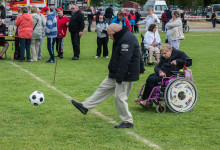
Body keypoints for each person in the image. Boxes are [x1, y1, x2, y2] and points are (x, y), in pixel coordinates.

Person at [71, 23, 145, 128]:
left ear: (116, 31)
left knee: (119, 97)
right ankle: (85, 106)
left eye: (110, 35)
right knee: (102, 89)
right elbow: (138, 52)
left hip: (125, 74)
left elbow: (125, 60)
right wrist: (141, 67)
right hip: (115, 72)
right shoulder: (120, 37)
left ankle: (128, 121)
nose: (110, 37)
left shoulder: (127, 39)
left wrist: (120, 77)